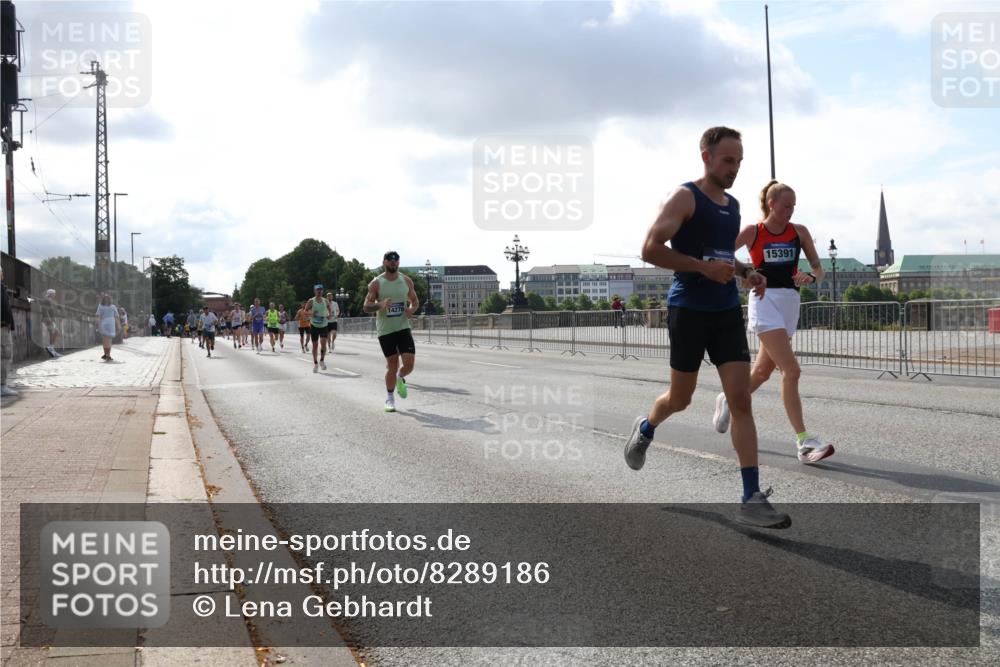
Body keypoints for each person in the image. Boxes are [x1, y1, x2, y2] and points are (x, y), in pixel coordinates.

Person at [621, 126, 790, 529]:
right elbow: (649, 249)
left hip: (726, 310)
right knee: (680, 398)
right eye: (728, 160)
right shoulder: (684, 197)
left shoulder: (733, 206)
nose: (734, 168)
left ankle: (751, 498)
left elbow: (724, 257)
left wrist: (748, 273)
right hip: (689, 310)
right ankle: (646, 427)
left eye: (739, 162)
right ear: (707, 158)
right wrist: (702, 268)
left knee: (740, 400)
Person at [712, 180, 833, 465]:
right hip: (765, 301)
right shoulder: (753, 231)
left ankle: (728, 398)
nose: (791, 210)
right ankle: (804, 442)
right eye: (786, 205)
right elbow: (722, 252)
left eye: (794, 206)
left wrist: (810, 277)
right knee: (791, 370)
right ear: (771, 204)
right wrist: (745, 273)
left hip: (790, 302)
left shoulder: (799, 232)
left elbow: (819, 269)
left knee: (762, 372)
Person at [364, 251, 419, 413]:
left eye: (396, 260)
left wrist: (411, 309)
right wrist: (380, 304)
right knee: (392, 364)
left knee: (409, 365)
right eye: (390, 260)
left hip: (403, 327)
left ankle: (399, 377)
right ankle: (390, 399)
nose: (393, 262)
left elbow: (415, 301)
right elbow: (366, 306)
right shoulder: (376, 283)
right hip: (386, 330)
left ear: (398, 263)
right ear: (384, 262)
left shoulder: (406, 281)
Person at [304, 285, 330, 372]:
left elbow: (329, 310)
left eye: (320, 290)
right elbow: (305, 312)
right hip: (314, 326)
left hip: (323, 325)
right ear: (314, 291)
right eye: (317, 290)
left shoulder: (325, 301)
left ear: (322, 291)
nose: (319, 291)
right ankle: (315, 363)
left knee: (323, 344)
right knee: (315, 345)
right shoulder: (311, 301)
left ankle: (322, 360)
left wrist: (329, 314)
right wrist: (312, 314)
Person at [1, 269, 17, 397]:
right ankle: (2, 386)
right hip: (2, 328)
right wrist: (8, 322)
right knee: (4, 355)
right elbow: (4, 307)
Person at [96, 294, 121, 362]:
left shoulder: (100, 306)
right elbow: (116, 317)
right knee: (109, 340)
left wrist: (98, 324)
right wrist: (119, 325)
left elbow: (98, 316)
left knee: (104, 340)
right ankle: (108, 355)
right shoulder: (113, 306)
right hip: (111, 323)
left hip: (103, 323)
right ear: (110, 300)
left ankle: (106, 354)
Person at [40, 289, 62, 357]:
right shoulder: (46, 300)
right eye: (54, 293)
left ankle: (51, 349)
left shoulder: (50, 301)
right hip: (48, 320)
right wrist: (48, 319)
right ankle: (51, 348)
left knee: (55, 333)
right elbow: (44, 310)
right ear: (50, 294)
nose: (55, 295)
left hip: (51, 320)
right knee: (55, 333)